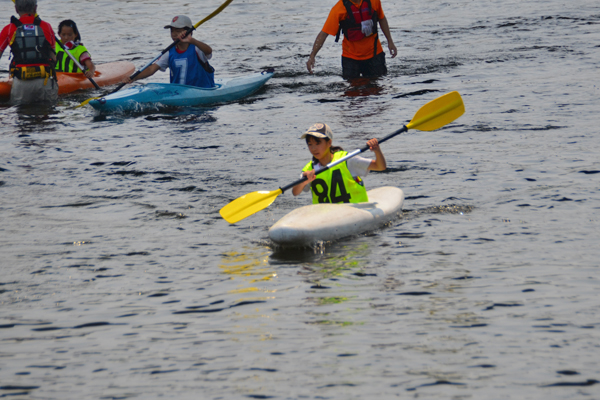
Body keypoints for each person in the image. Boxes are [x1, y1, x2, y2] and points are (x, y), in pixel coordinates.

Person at [292, 123, 387, 204]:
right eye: (310, 144)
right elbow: (295, 192)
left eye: (318, 143)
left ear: (329, 143)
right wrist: (304, 181)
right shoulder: (309, 169)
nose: (313, 148)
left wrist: (377, 150)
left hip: (356, 211)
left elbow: (380, 167)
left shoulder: (347, 160)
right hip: (325, 217)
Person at [306, 0, 397, 79]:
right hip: (350, 59)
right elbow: (324, 34)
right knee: (352, 92)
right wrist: (312, 56)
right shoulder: (338, 9)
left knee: (377, 90)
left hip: (375, 55)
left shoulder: (374, 2)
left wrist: (390, 41)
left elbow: (381, 18)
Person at [123, 15, 215, 88]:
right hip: (179, 94)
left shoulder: (196, 48)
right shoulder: (169, 52)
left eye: (178, 31)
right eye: (172, 31)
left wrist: (192, 40)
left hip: (202, 91)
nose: (174, 34)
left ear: (189, 32)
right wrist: (134, 77)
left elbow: (208, 51)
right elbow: (151, 69)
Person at [0, 0, 57, 104]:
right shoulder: (46, 26)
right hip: (44, 80)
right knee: (48, 116)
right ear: (35, 8)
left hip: (21, 81)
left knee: (22, 116)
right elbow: (53, 57)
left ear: (16, 9)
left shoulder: (9, 29)